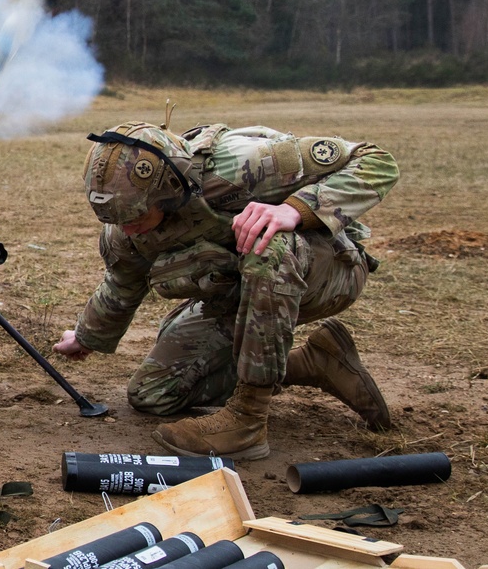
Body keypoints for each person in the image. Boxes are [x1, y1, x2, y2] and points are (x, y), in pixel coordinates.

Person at [53, 118, 399, 460]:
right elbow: (123, 282)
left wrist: (293, 211)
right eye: (117, 220)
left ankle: (247, 421)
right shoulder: (128, 225)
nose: (127, 230)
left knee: (268, 247)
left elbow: (376, 161)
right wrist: (86, 336)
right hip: (239, 296)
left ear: (169, 188)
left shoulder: (246, 164)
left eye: (135, 217)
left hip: (327, 275)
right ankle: (313, 363)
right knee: (154, 393)